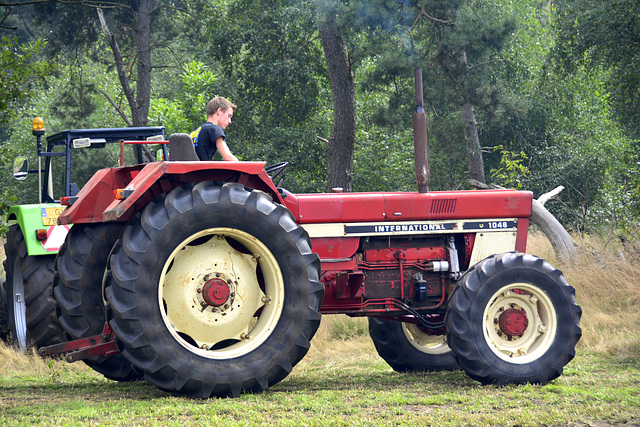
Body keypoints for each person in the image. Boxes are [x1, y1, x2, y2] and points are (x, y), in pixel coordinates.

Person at [190, 97, 239, 161]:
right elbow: (228, 157)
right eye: (229, 116)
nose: (230, 121)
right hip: (202, 170)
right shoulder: (215, 129)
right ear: (219, 111)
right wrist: (244, 169)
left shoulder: (195, 132)